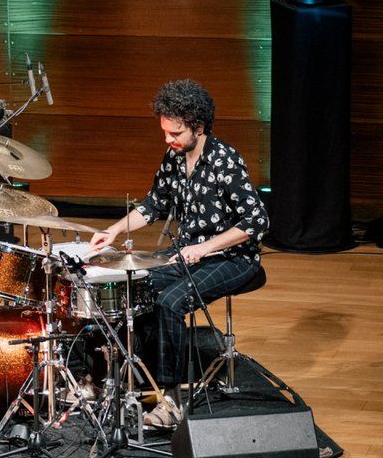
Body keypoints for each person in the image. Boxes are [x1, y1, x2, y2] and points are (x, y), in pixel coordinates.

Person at [87, 79, 267, 429]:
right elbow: (152, 205)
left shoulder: (224, 160)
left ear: (198, 127)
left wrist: (203, 247)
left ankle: (171, 400)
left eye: (176, 132)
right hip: (188, 251)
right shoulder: (174, 156)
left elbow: (256, 220)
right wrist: (114, 229)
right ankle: (138, 377)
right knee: (139, 283)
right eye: (165, 131)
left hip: (233, 257)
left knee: (172, 301)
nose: (168, 139)